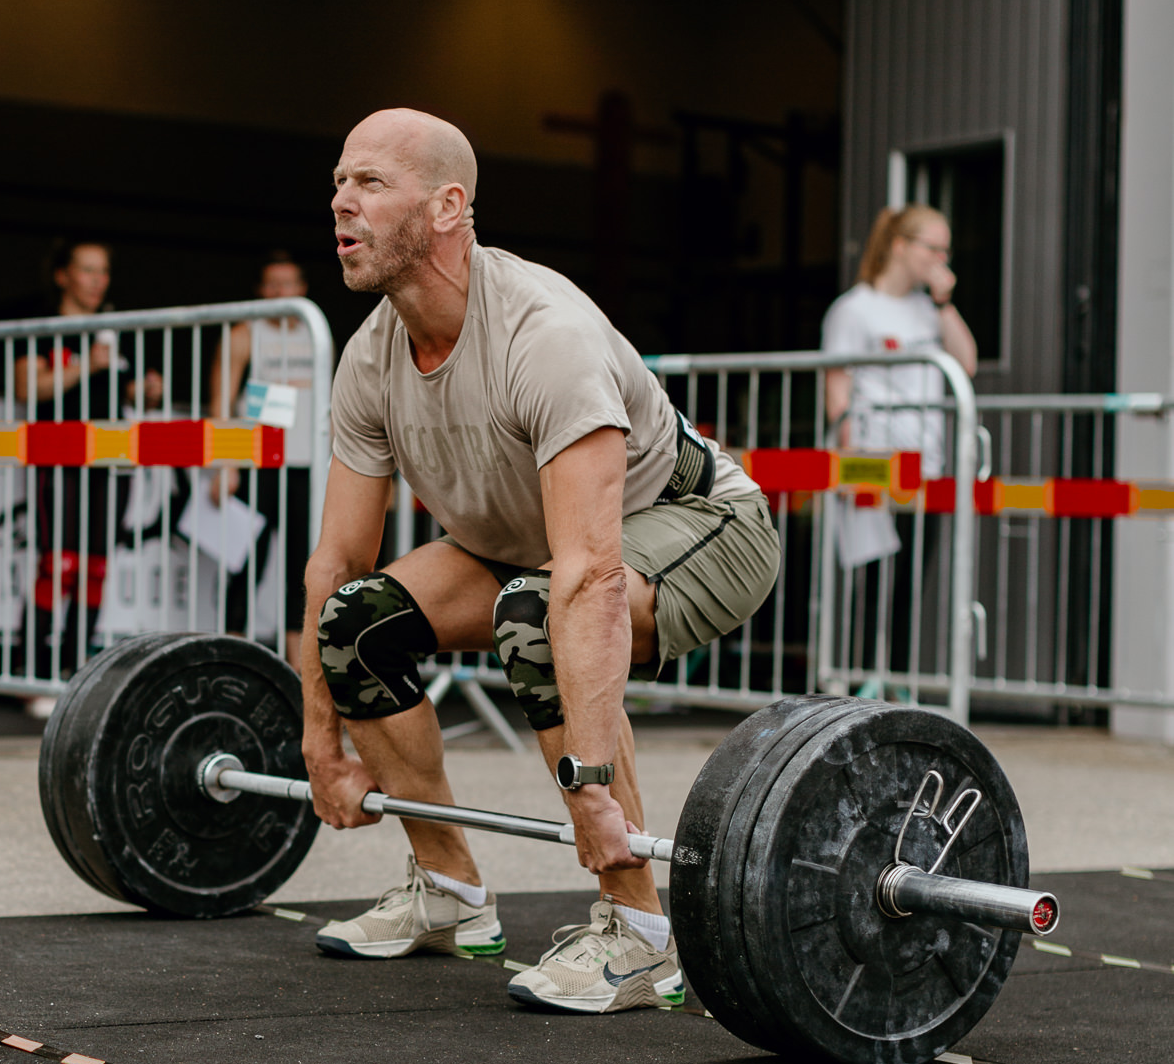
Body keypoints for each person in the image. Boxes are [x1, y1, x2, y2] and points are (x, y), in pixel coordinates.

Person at [302, 108, 781, 1013]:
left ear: (448, 206)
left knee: (535, 612)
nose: (341, 203)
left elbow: (590, 576)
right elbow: (334, 561)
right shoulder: (370, 359)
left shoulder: (543, 335)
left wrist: (592, 791)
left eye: (369, 183)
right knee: (355, 624)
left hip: (698, 521)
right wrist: (318, 742)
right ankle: (449, 893)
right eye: (337, 182)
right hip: (524, 548)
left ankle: (639, 933)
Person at [821, 203, 978, 676]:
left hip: (925, 461)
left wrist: (943, 302)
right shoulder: (855, 309)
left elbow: (965, 364)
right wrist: (850, 458)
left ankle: (900, 682)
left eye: (945, 249)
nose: (941, 257)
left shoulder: (926, 310)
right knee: (873, 578)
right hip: (874, 459)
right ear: (901, 246)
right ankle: (862, 680)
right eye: (933, 247)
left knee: (911, 582)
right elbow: (838, 386)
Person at [14, 239, 162, 716]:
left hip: (111, 461)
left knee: (96, 566)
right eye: (88, 270)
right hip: (56, 459)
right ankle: (33, 673)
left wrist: (150, 389)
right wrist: (83, 366)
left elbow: (134, 389)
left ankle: (74, 672)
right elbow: (26, 387)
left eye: (104, 271)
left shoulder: (116, 329)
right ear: (63, 276)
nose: (98, 280)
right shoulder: (42, 328)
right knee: (57, 563)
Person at [211, 251, 314, 667]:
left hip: (305, 465)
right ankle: (228, 655)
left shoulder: (315, 334)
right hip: (257, 465)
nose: (280, 293)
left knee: (302, 568)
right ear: (260, 292)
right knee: (244, 562)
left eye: (287, 284)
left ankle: (298, 667)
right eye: (272, 285)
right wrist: (226, 465)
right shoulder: (244, 334)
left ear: (302, 290)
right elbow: (222, 402)